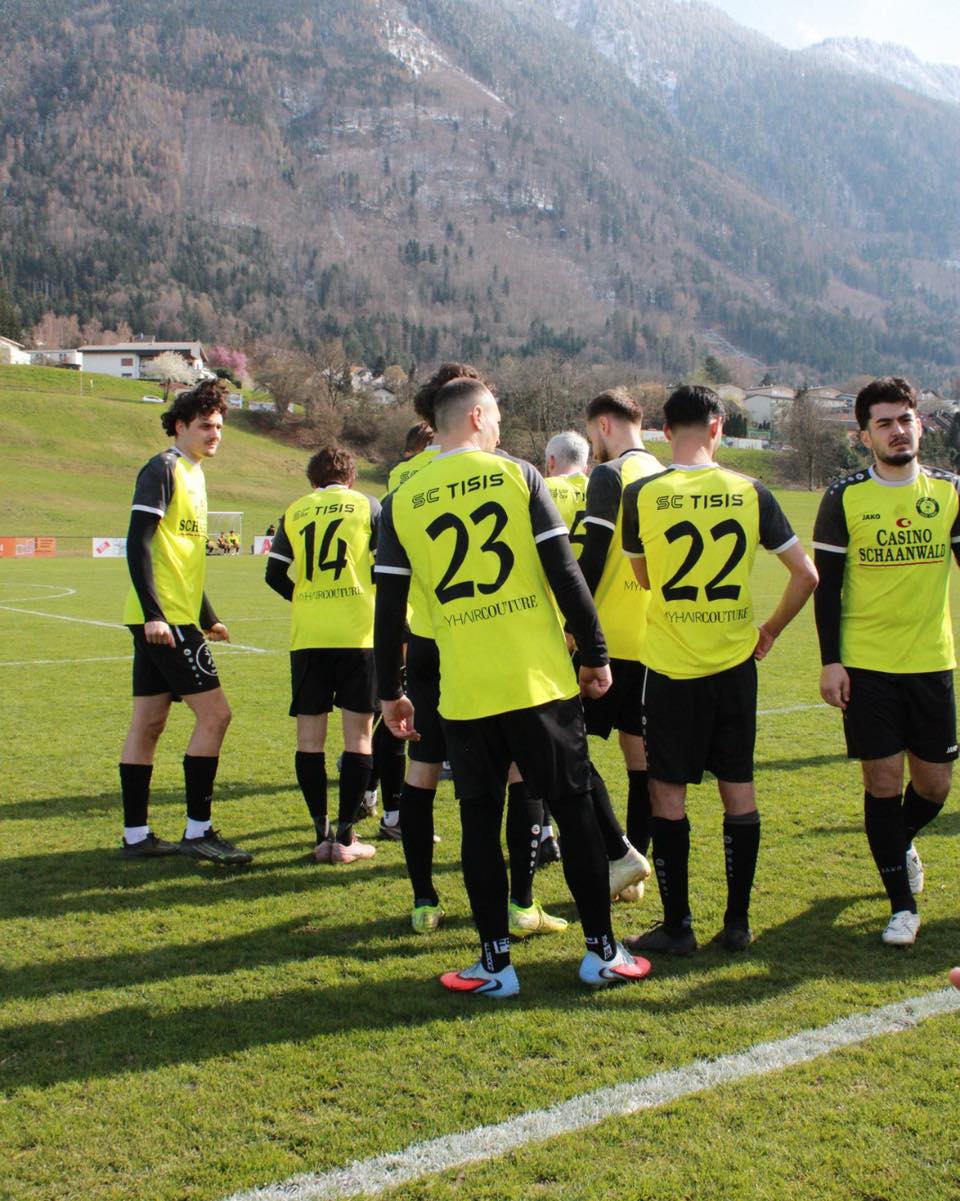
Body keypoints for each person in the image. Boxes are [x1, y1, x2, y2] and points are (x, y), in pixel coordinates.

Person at [375, 375, 651, 994]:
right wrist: (595, 652)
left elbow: (389, 608)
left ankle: (495, 964)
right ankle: (602, 953)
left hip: (465, 689)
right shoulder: (519, 474)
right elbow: (565, 572)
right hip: (538, 681)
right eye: (495, 415)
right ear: (476, 417)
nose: (499, 426)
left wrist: (390, 690)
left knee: (478, 823)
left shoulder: (401, 498)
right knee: (574, 811)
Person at [620, 384, 816, 953]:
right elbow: (806, 575)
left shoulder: (642, 494)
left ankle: (678, 927)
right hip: (734, 666)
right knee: (739, 790)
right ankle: (737, 924)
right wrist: (769, 630)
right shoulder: (751, 491)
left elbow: (644, 578)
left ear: (664, 430)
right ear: (718, 427)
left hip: (671, 669)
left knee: (667, 795)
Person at [387, 365, 565, 939]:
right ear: (471, 410)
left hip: (428, 642)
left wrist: (388, 683)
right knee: (515, 774)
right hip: (486, 642)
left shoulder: (401, 481)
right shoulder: (500, 468)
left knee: (422, 774)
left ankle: (423, 900)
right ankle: (521, 903)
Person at [812, 377, 959, 947]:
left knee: (936, 786)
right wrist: (831, 662)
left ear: (919, 424)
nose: (898, 431)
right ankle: (902, 906)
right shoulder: (843, 496)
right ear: (863, 436)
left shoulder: (949, 491)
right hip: (867, 666)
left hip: (931, 662)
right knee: (882, 781)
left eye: (905, 420)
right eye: (884, 423)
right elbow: (827, 589)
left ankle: (899, 840)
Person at [118, 377, 251, 864]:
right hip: (164, 620)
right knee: (216, 715)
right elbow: (139, 542)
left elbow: (183, 559)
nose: (215, 434)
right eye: (205, 426)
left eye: (219, 427)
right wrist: (156, 615)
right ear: (179, 426)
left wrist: (208, 616)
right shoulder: (163, 468)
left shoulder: (196, 475)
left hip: (174, 616)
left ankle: (136, 836)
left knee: (149, 722)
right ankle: (199, 831)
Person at [265, 447, 381, 865]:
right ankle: (346, 838)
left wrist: (305, 599)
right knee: (359, 738)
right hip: (358, 635)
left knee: (309, 741)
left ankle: (321, 834)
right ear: (350, 478)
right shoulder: (368, 505)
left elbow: (273, 574)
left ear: (312, 481)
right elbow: (385, 565)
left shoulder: (295, 511)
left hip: (309, 637)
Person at [580, 389, 660, 899]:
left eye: (592, 434)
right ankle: (635, 870)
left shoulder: (609, 475)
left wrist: (574, 626)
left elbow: (591, 559)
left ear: (604, 426)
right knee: (641, 763)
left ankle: (618, 852)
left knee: (562, 750)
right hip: (652, 642)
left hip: (604, 642)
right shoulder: (667, 476)